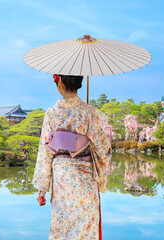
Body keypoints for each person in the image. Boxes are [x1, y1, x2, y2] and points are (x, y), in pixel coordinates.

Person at [32, 74, 112, 240]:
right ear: (79, 83)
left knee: (63, 226)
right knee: (85, 226)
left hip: (61, 177)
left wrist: (42, 188)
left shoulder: (52, 113)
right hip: (85, 178)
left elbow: (45, 150)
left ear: (59, 82)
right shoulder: (90, 112)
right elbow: (104, 149)